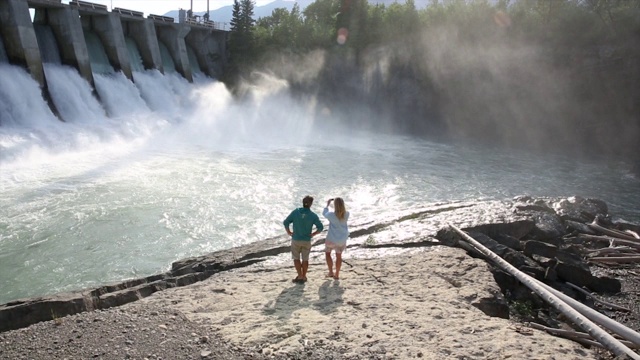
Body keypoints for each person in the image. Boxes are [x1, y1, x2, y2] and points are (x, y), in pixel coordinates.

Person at [283, 195, 324, 283]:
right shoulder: (313, 215)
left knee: (296, 258)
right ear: (311, 204)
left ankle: (300, 275)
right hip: (306, 240)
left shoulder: (296, 212)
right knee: (305, 259)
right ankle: (304, 276)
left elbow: (286, 222)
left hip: (296, 239)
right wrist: (313, 234)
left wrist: (289, 232)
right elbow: (320, 227)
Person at [323, 197, 349, 280]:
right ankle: (337, 273)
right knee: (339, 256)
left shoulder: (331, 215)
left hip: (331, 238)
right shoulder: (346, 214)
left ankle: (331, 272)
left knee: (328, 253)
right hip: (342, 239)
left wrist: (327, 205)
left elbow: (324, 213)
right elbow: (342, 212)